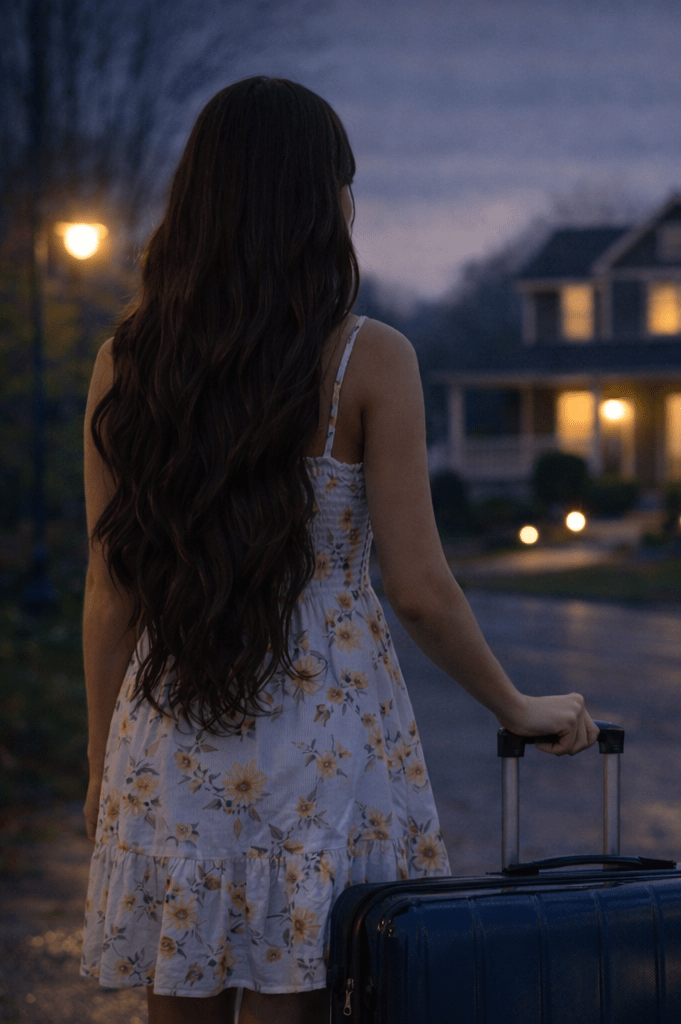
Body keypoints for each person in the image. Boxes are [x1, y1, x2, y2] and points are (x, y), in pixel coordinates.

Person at [80, 77, 598, 1024]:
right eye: (345, 183)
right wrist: (516, 704)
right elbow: (421, 589)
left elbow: (111, 592)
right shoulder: (369, 359)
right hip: (318, 739)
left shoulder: (127, 360)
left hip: (169, 732)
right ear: (318, 202)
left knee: (180, 995)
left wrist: (98, 760)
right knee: (303, 994)